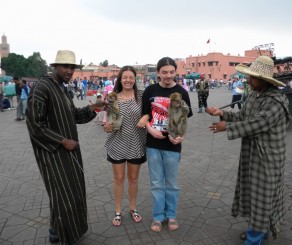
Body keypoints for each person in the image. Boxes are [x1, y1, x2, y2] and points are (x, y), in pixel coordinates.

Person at [205, 56, 291, 245]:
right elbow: (243, 116)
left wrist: (226, 127)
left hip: (268, 159)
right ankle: (258, 231)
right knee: (253, 195)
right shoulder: (253, 94)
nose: (248, 80)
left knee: (263, 197)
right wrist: (223, 114)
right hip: (251, 154)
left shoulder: (276, 101)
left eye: (253, 77)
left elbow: (257, 123)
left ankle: (255, 238)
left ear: (265, 80)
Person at [26, 50, 107, 244]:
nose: (70, 71)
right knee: (64, 196)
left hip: (69, 151)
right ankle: (64, 237)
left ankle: (56, 230)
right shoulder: (42, 88)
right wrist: (62, 141)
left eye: (72, 67)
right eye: (65, 66)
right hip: (52, 153)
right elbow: (35, 125)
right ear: (54, 67)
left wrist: (93, 108)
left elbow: (74, 116)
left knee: (68, 192)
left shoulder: (62, 88)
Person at [142, 57, 193, 232]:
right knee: (156, 183)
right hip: (153, 144)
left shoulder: (182, 92)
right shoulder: (150, 90)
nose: (168, 75)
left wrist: (181, 136)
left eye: (171, 72)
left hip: (173, 145)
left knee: (171, 184)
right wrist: (150, 130)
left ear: (175, 72)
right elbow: (145, 115)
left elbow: (185, 119)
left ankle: (171, 215)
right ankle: (158, 217)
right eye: (164, 72)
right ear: (158, 73)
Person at [103, 66, 148, 226]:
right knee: (119, 179)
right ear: (120, 79)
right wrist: (107, 126)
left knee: (133, 179)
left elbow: (149, 111)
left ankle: (133, 208)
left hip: (136, 143)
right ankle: (117, 211)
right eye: (125, 77)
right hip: (117, 144)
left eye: (131, 77)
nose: (128, 80)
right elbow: (109, 122)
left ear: (135, 79)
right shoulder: (112, 98)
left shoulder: (141, 96)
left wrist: (146, 116)